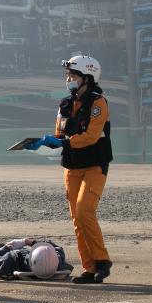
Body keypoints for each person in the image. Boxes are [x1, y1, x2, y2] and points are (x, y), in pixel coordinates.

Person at [24, 55, 113, 284]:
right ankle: (90, 268)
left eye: (72, 75)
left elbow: (92, 137)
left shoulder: (99, 103)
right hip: (72, 166)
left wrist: (62, 142)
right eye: (68, 75)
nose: (68, 79)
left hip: (94, 165)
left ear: (87, 77)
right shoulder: (64, 104)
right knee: (77, 219)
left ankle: (102, 260)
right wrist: (42, 143)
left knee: (85, 212)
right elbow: (59, 135)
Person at [0, 238, 70, 280]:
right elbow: (56, 249)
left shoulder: (10, 260)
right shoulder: (56, 261)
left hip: (8, 256)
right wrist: (30, 242)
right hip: (24, 257)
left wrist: (5, 248)